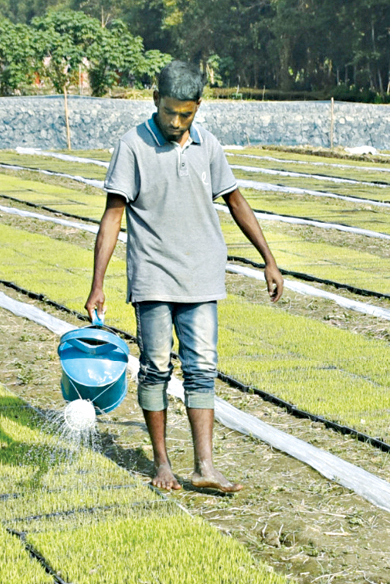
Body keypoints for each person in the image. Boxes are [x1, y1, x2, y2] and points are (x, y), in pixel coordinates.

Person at [85, 60, 283, 493]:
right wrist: (98, 284)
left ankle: (204, 467)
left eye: (186, 114)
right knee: (156, 368)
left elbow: (235, 201)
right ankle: (162, 464)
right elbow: (113, 216)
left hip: (201, 276)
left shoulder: (208, 145)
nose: (176, 122)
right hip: (153, 277)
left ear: (199, 107)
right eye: (169, 112)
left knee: (202, 370)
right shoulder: (133, 145)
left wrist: (268, 258)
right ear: (155, 100)